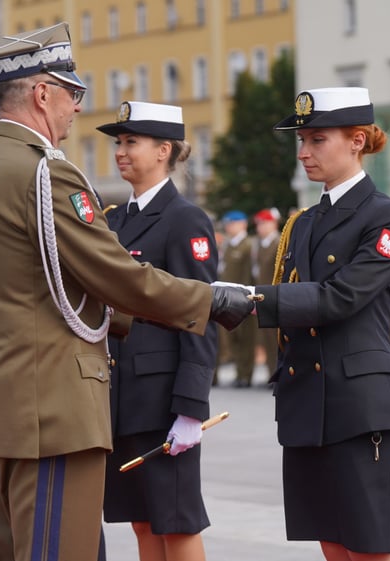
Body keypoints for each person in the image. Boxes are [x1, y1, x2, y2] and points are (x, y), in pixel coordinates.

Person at [0, 23, 253, 561]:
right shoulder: (45, 174)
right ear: (42, 93)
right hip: (52, 407)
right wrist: (212, 301)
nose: (75, 111)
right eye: (73, 95)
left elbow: (34, 285)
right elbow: (119, 276)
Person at [249, 87, 390, 561]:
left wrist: (249, 301)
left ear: (357, 140)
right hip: (307, 399)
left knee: (369, 548)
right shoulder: (302, 223)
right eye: (301, 140)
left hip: (357, 404)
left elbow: (342, 297)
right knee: (331, 544)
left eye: (317, 139)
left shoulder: (385, 215)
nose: (304, 152)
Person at [97, 101, 217, 561]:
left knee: (177, 522)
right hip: (118, 395)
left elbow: (199, 316)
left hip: (162, 399)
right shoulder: (115, 221)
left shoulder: (185, 219)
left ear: (164, 150)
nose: (120, 152)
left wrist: (191, 407)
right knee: (142, 522)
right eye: (118, 142)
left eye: (131, 142)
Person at [216, 210, 256, 387]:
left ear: (243, 224)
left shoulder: (248, 245)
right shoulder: (228, 245)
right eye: (228, 223)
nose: (228, 227)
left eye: (232, 223)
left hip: (243, 297)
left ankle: (245, 375)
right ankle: (239, 372)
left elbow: (249, 273)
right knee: (232, 338)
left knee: (246, 339)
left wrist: (247, 299)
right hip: (227, 297)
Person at [253, 208, 282, 381]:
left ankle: (278, 374)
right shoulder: (261, 244)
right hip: (262, 296)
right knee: (267, 340)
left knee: (276, 340)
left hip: (274, 296)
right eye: (259, 224)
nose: (260, 227)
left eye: (264, 223)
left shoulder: (278, 243)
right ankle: (272, 373)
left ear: (273, 223)